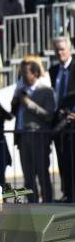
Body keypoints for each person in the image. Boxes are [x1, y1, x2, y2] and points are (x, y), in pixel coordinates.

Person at [11, 60, 56, 203]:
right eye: (21, 72)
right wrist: (15, 102)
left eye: (25, 72)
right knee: (28, 176)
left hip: (39, 137)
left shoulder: (46, 91)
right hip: (23, 138)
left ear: (35, 73)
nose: (22, 76)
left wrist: (29, 104)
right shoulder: (20, 91)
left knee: (42, 174)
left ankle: (48, 203)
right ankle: (32, 204)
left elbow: (49, 115)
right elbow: (13, 113)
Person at [50, 37, 75, 201]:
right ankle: (67, 193)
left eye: (62, 49)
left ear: (70, 49)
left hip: (73, 123)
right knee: (62, 161)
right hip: (59, 124)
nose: (60, 53)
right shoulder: (52, 71)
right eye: (57, 50)